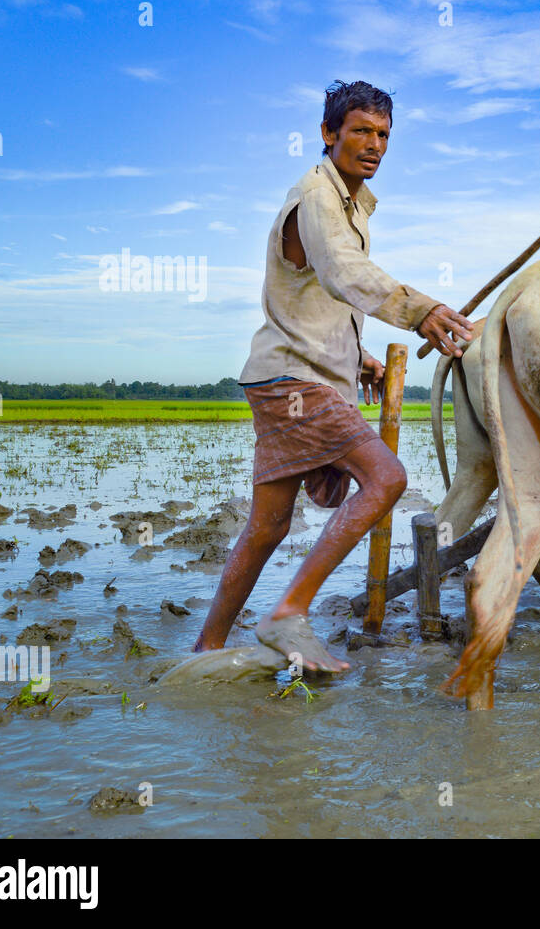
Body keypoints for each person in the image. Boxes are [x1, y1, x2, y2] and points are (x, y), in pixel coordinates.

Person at [193, 80, 474, 671]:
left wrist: (360, 356)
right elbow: (346, 273)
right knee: (387, 478)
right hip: (297, 382)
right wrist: (421, 310)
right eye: (361, 132)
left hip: (280, 376)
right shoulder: (319, 199)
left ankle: (206, 649)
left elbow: (322, 295)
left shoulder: (349, 206)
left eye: (383, 135)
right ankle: (288, 612)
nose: (374, 145)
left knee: (266, 528)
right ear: (328, 134)